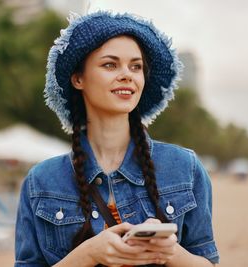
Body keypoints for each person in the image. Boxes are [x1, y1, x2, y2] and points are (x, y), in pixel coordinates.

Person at [15, 11, 219, 267]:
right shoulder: (41, 182)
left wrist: (170, 253)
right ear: (78, 79)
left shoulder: (184, 167)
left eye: (136, 66)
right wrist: (89, 253)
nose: (127, 74)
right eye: (110, 64)